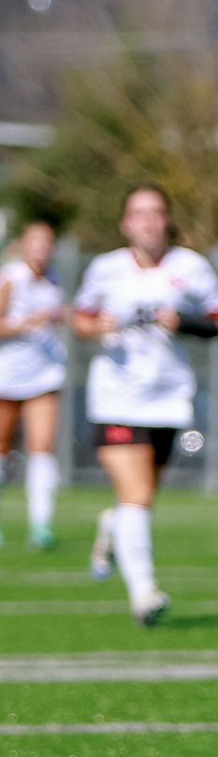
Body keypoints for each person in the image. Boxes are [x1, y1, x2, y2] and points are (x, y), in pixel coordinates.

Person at [71, 186, 218, 624]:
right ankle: (145, 593)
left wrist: (189, 323)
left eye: (155, 212)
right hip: (117, 397)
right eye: (138, 213)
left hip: (168, 397)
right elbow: (80, 317)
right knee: (138, 495)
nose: (147, 221)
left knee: (139, 500)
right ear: (125, 223)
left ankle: (112, 525)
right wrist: (94, 326)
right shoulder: (105, 269)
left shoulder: (190, 267)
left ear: (167, 220)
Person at [0, 220, 68, 550]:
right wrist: (28, 324)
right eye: (36, 242)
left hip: (44, 375)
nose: (42, 249)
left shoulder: (54, 280)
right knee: (2, 449)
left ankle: (41, 526)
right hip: (8, 375)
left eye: (47, 243)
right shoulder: (11, 277)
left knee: (43, 447)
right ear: (25, 245)